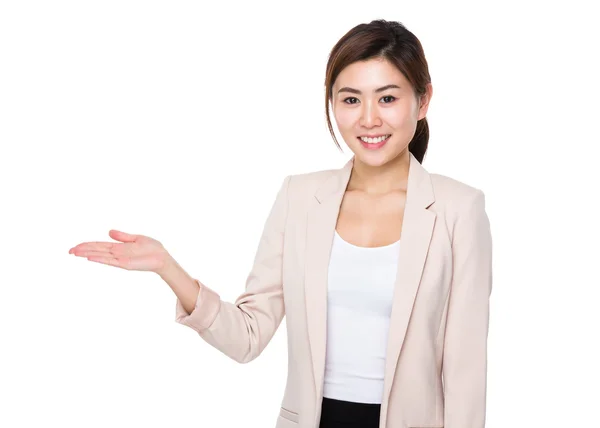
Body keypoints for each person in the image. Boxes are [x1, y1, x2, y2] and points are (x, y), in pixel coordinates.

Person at [69, 19, 493, 428]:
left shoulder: (458, 209)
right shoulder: (299, 198)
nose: (368, 119)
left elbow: (465, 370)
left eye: (387, 98)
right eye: (350, 99)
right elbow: (248, 337)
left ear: (423, 101)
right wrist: (168, 268)